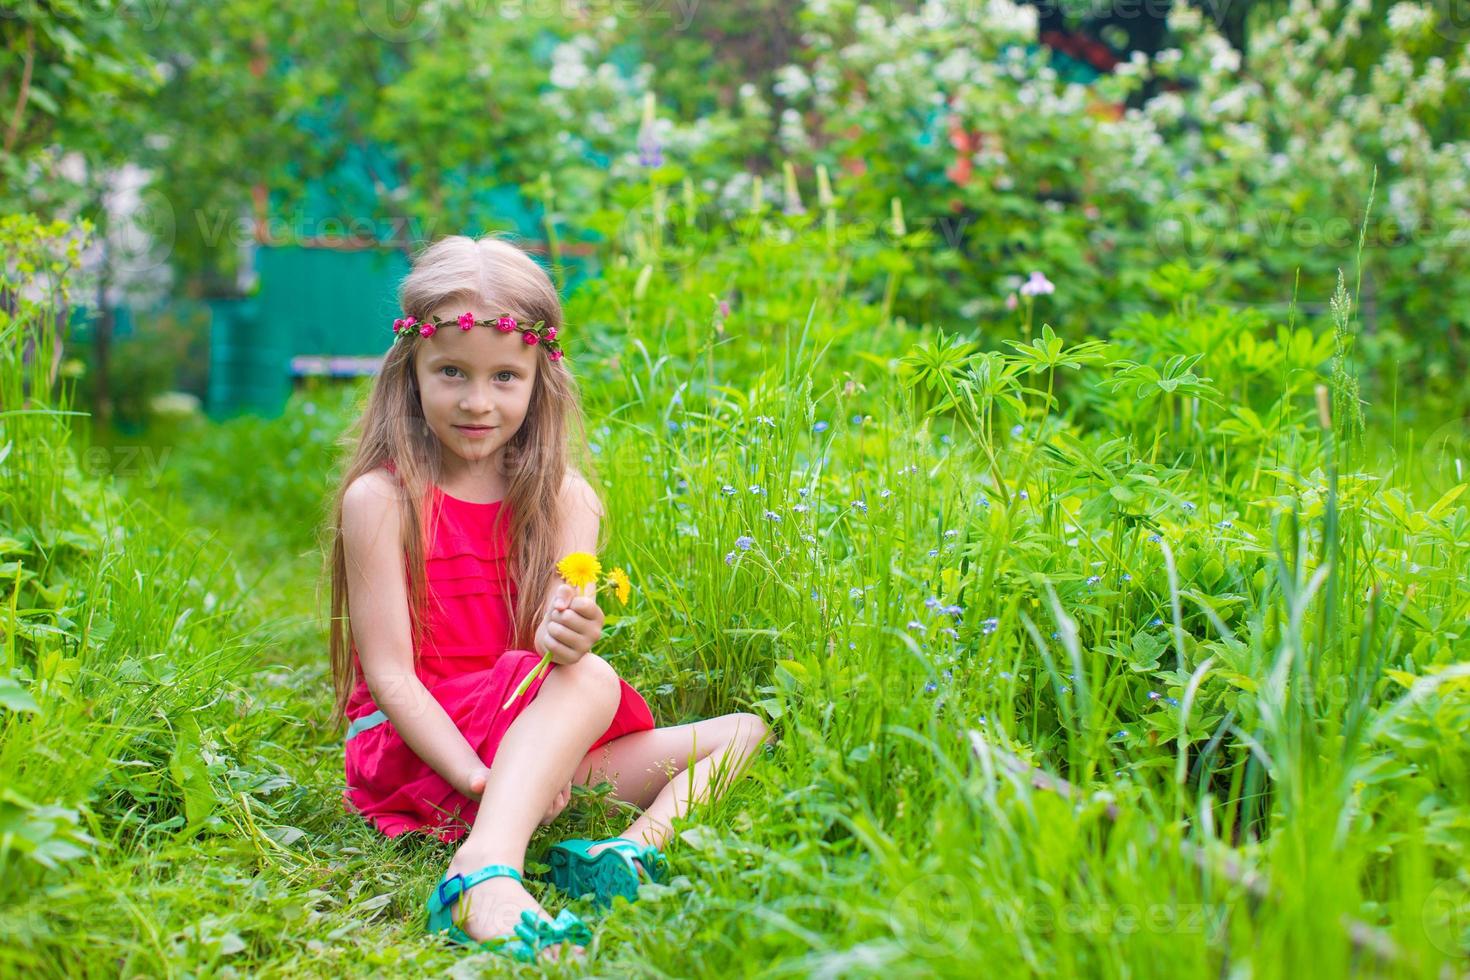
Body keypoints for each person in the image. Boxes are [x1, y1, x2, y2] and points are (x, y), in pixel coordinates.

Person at [325, 235, 771, 963]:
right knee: (590, 681)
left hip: (521, 747)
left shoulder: (567, 500)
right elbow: (392, 678)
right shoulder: (383, 500)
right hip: (424, 750)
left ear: (540, 379)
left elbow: (550, 642)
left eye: (505, 376)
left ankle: (626, 854)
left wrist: (570, 629)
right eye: (451, 374)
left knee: (744, 731)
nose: (477, 401)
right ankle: (482, 865)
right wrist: (475, 777)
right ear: (411, 373)